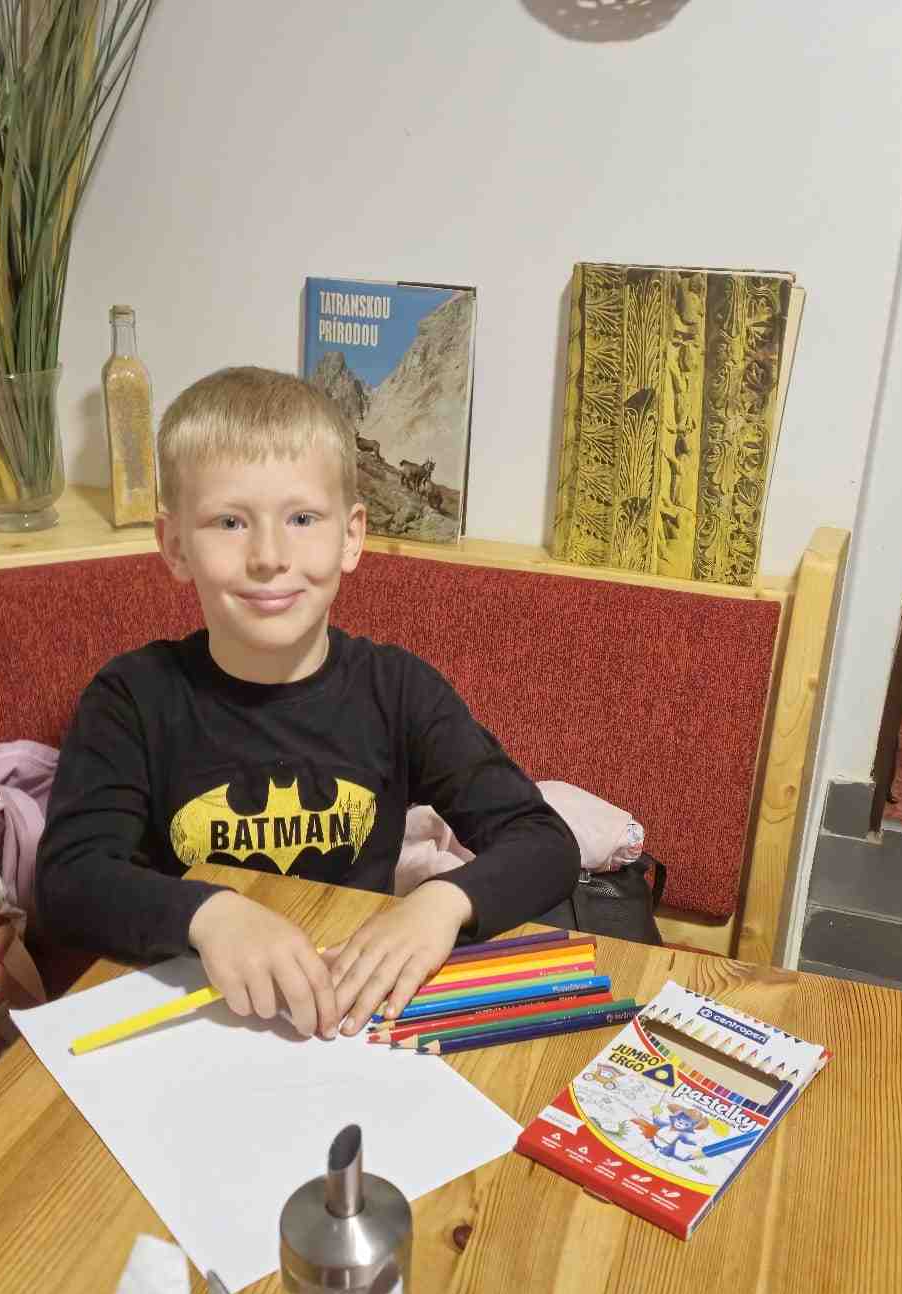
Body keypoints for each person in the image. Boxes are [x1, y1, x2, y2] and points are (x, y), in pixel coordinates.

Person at [36, 366, 579, 1039]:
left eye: (301, 519)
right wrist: (208, 914)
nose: (269, 556)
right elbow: (68, 880)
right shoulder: (131, 697)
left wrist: (440, 904)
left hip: (350, 1017)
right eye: (230, 521)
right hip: (192, 1018)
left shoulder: (398, 690)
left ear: (350, 537)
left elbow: (544, 842)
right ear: (175, 546)